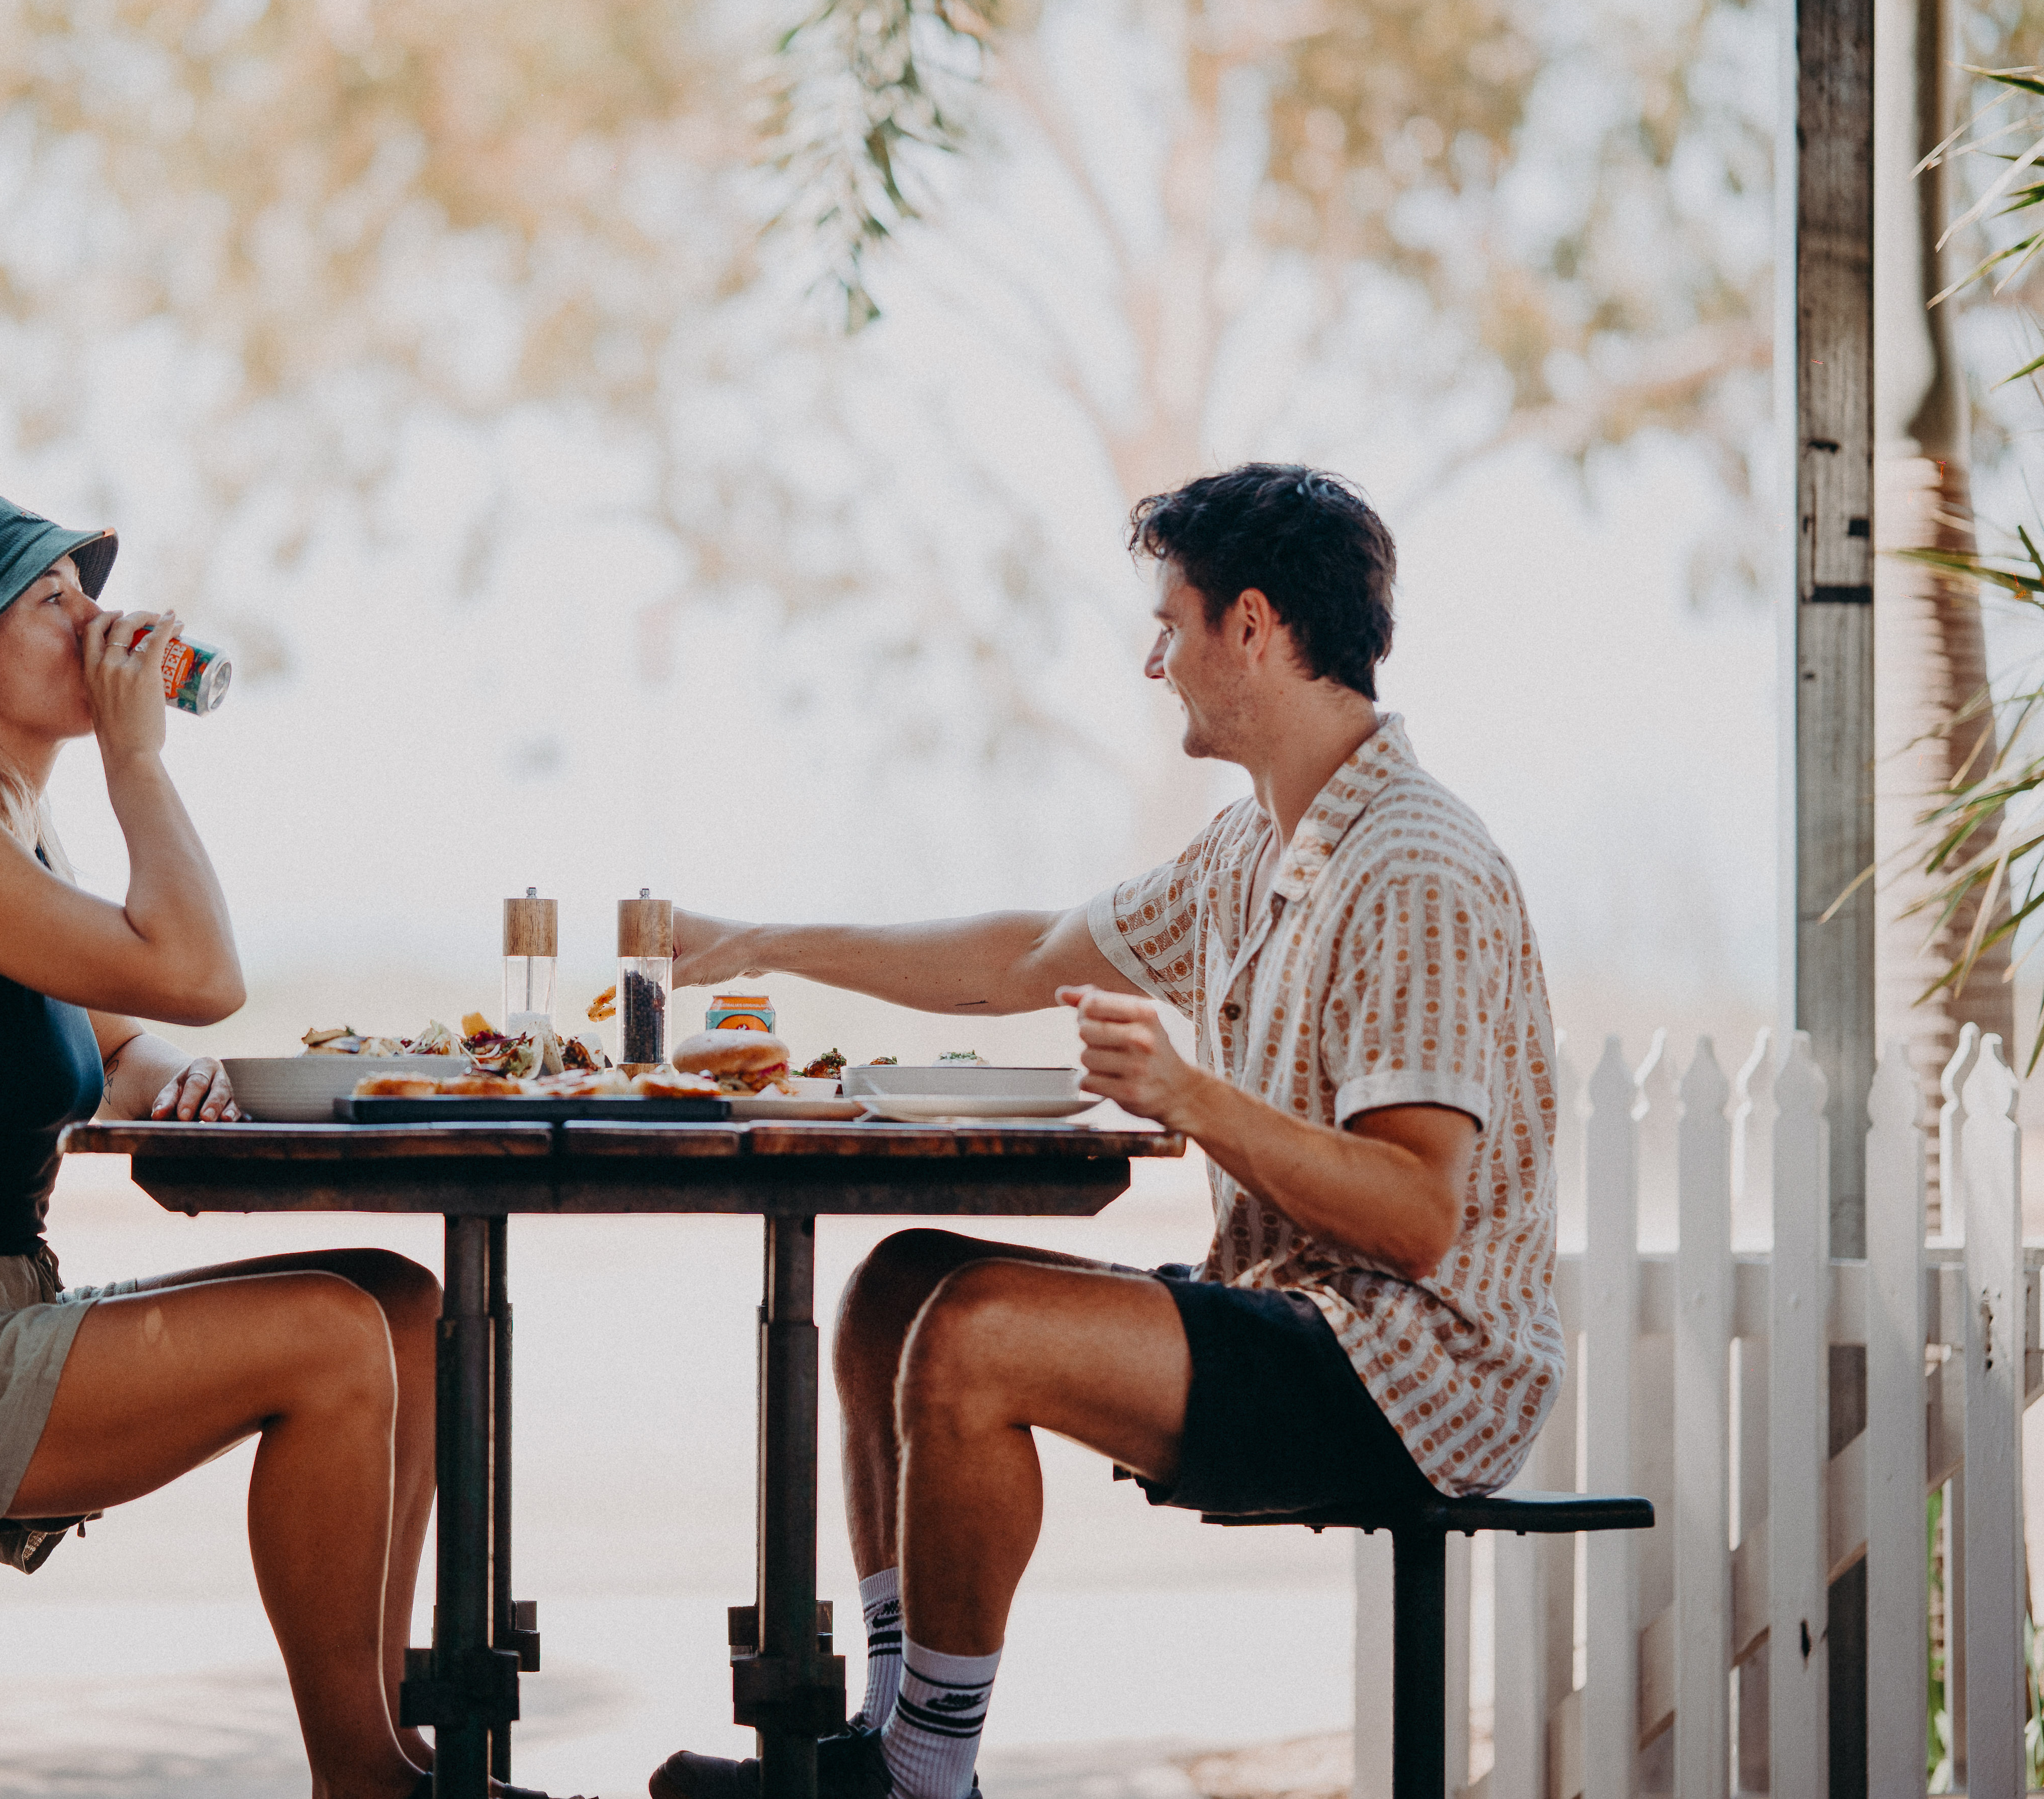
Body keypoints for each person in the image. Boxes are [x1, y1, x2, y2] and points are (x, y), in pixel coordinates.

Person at [648, 464, 1563, 1799]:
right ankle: (891, 1743)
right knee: (895, 1290)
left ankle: (921, 1784)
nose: (1152, 662)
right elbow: (1026, 951)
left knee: (978, 1331)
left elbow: (1418, 1215)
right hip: (1299, 1311)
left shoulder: (1411, 862)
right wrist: (764, 941)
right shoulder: (1256, 850)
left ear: (1250, 626)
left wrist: (1192, 1096)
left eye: (1167, 622)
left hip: (1415, 1369)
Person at [0, 496, 465, 1799]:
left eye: (89, 598)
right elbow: (201, 968)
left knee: (402, 1305)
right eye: (54, 605)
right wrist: (144, 757)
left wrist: (170, 1073)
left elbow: (133, 1030)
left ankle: (391, 1747)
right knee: (330, 1334)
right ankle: (361, 1782)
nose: (97, 626)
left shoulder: (7, 827)